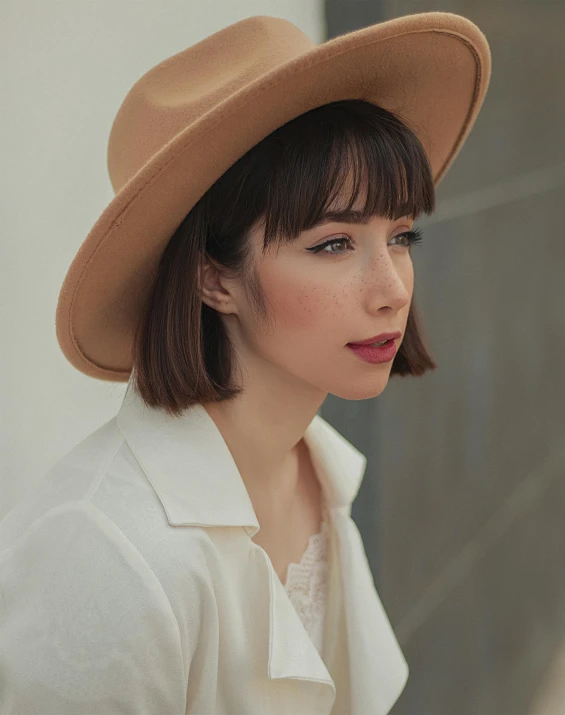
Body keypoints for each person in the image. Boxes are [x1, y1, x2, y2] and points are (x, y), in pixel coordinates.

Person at [0, 12, 491, 715]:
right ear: (212, 277)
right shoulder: (100, 553)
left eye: (401, 234)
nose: (392, 290)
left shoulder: (315, 472)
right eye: (334, 244)